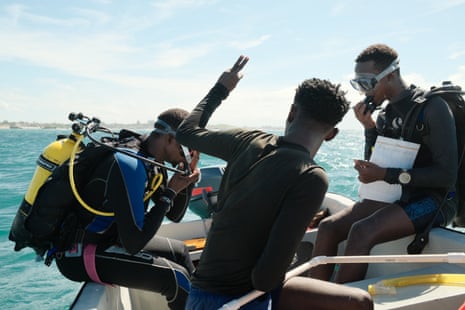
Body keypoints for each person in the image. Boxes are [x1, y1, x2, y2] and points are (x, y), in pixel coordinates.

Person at [177, 56, 373, 309]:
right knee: (359, 303)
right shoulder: (311, 177)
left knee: (355, 301)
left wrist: (221, 89)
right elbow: (265, 279)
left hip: (200, 295)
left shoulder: (249, 140)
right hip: (238, 302)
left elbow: (186, 132)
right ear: (332, 134)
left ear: (291, 112)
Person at [309, 43, 458, 283]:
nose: (362, 92)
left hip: (434, 200)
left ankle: (337, 301)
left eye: (366, 83)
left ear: (389, 75)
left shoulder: (432, 108)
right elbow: (377, 159)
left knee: (361, 231)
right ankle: (312, 299)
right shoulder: (386, 114)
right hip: (397, 195)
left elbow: (446, 176)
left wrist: (388, 175)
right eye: (357, 84)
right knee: (328, 227)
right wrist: (369, 129)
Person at [53, 108, 200, 310]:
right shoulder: (129, 164)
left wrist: (187, 177)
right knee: (176, 279)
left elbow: (174, 215)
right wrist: (170, 193)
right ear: (169, 139)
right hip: (79, 253)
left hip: (112, 239)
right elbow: (134, 244)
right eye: (186, 147)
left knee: (181, 251)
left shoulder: (153, 161)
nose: (189, 152)